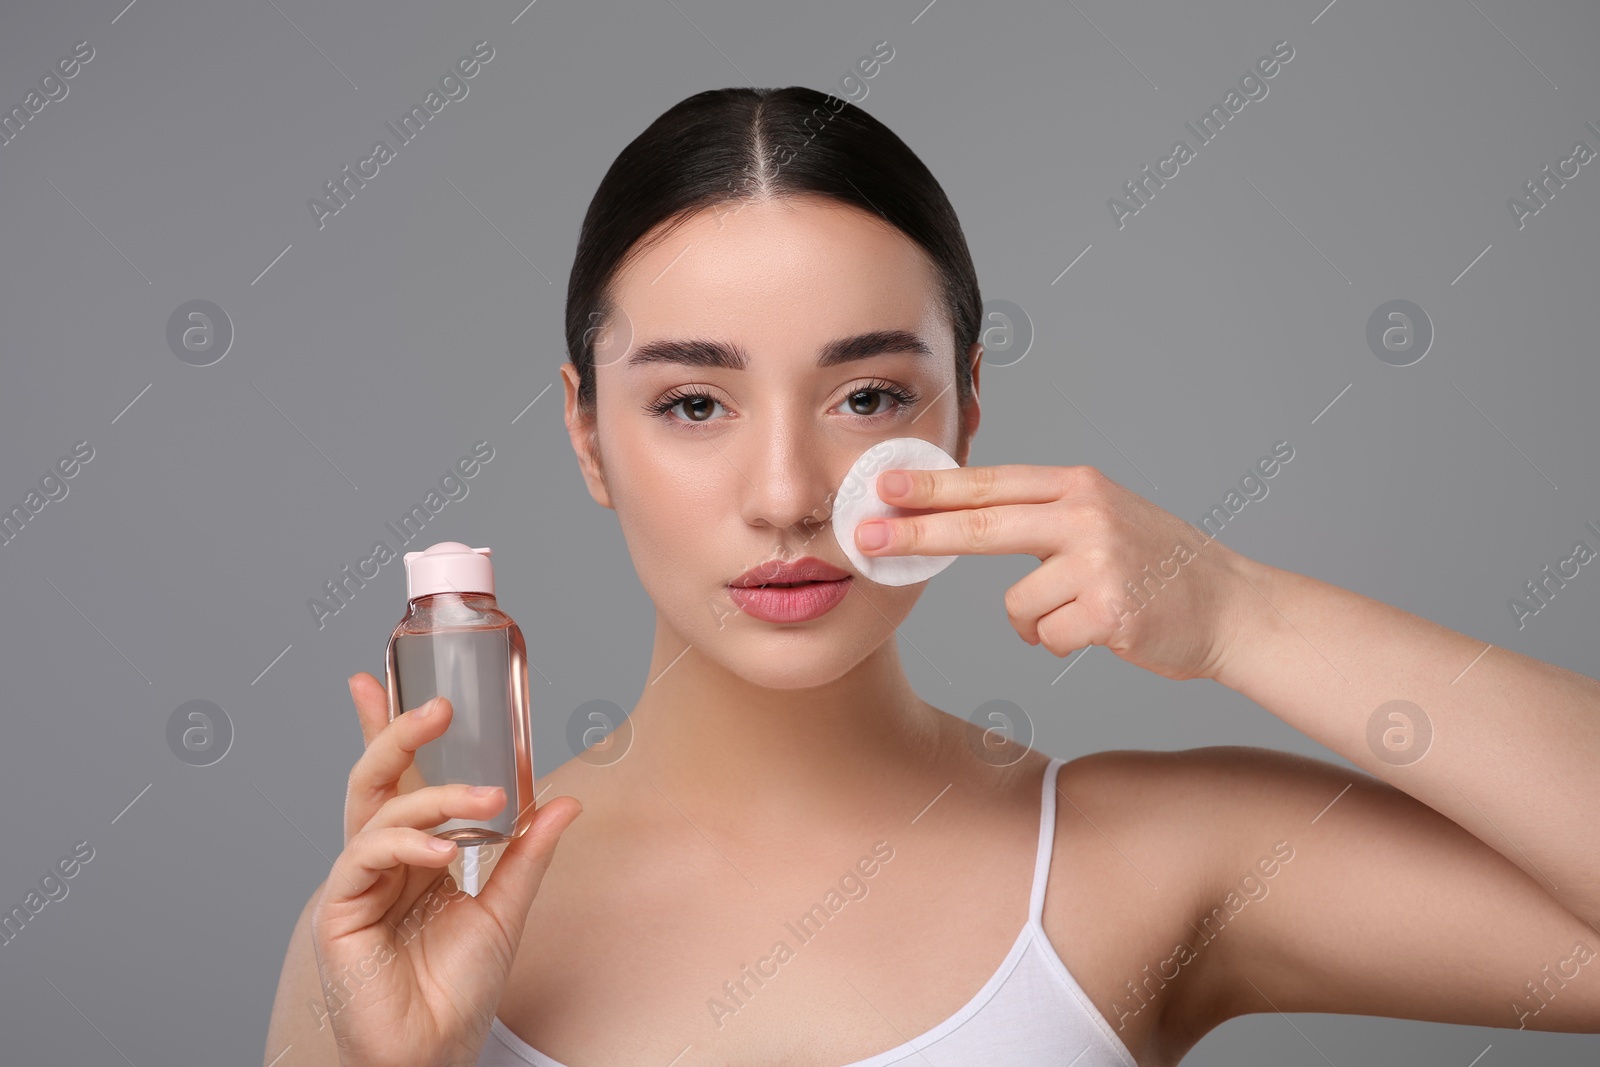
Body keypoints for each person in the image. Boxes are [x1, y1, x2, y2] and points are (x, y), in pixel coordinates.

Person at [266, 86, 1600, 1067]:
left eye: (864, 393)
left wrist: (1244, 612)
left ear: (963, 411)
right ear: (584, 431)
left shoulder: (1136, 863)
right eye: (691, 404)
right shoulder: (423, 915)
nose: (786, 492)